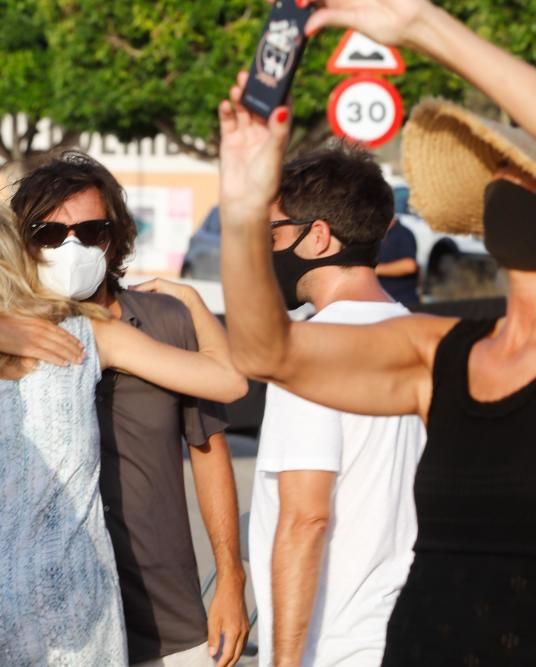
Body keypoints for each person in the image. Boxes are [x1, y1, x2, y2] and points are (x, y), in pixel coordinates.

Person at [219, 0, 536, 663]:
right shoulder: (445, 350)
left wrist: (421, 26)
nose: (507, 183)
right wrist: (244, 205)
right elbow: (263, 350)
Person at [0, 153, 251, 667]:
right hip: (56, 616)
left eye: (90, 232)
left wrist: (190, 304)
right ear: (21, 245)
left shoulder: (141, 323)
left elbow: (215, 430)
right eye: (48, 234)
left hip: (155, 617)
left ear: (115, 237)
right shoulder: (47, 336)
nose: (71, 247)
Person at [247, 145, 426, 667]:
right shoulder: (422, 340)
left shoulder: (308, 353)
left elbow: (306, 519)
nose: (267, 251)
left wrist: (284, 661)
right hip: (407, 631)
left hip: (333, 645)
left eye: (274, 234)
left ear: (318, 236)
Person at [375, 218, 419, 306]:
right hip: (381, 300)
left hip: (402, 300)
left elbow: (410, 266)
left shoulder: (403, 234)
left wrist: (377, 269)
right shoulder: (374, 235)